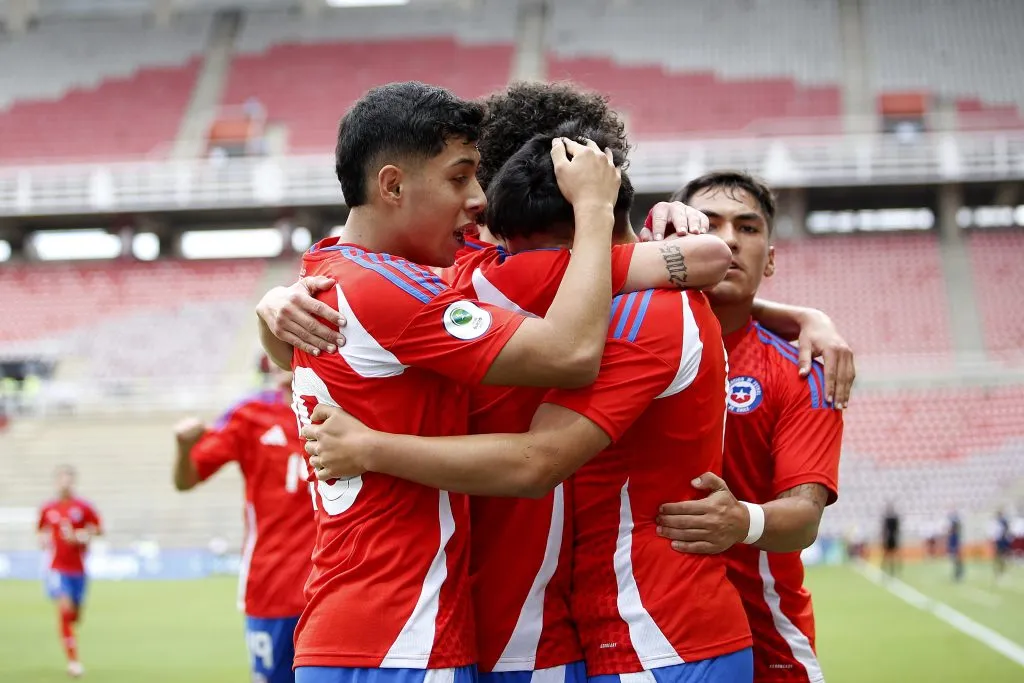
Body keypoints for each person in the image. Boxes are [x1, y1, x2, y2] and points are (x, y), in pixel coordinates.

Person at [300, 124, 755, 682]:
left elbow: (540, 457)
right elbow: (708, 258)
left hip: (569, 637)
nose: (476, 219)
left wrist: (371, 448)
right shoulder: (481, 274)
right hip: (496, 631)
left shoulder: (494, 278)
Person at [285, 81, 625, 683]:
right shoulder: (392, 289)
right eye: (460, 177)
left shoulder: (328, 266)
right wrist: (596, 210)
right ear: (391, 185)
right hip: (401, 636)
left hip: (358, 629)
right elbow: (570, 354)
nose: (478, 200)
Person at [650, 173, 847, 683]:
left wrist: (742, 521)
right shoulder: (621, 335)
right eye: (709, 223)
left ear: (772, 257)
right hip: (632, 632)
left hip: (764, 638)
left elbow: (804, 518)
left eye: (748, 227)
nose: (730, 238)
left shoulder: (802, 369)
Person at [173, 362, 315, 683]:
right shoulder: (249, 414)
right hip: (273, 586)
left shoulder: (345, 410)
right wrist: (184, 448)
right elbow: (187, 478)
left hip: (336, 587)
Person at [37, 465, 101, 679]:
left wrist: (82, 536)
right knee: (64, 610)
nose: (64, 483)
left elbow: (98, 529)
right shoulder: (48, 509)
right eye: (60, 479)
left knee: (75, 616)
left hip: (79, 570)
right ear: (56, 482)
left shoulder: (83, 507)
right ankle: (73, 662)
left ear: (73, 482)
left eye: (68, 479)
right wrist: (43, 540)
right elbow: (40, 530)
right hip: (57, 568)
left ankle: (70, 635)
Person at [881, 503, 901, 577]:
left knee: (890, 556)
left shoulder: (889, 519)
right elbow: (897, 530)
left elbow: (884, 530)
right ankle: (889, 570)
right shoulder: (893, 518)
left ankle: (887, 570)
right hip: (892, 539)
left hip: (890, 539)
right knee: (890, 556)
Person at [948, 510, 964, 582]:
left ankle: (959, 574)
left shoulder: (955, 535)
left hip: (956, 549)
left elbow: (955, 543)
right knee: (956, 562)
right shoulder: (953, 535)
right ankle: (958, 574)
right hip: (955, 549)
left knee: (957, 562)